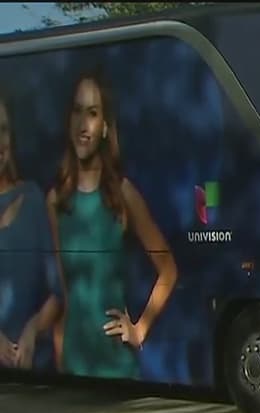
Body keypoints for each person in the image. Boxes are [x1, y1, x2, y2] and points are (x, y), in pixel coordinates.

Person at [47, 68, 177, 378]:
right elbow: (65, 292)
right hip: (73, 366)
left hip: (117, 369)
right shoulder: (55, 201)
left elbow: (168, 270)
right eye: (77, 111)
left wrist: (140, 329)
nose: (83, 124)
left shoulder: (122, 194)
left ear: (105, 126)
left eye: (92, 113)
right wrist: (60, 354)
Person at [0, 90, 61, 370]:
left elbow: (56, 294)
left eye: (3, 130)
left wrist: (32, 330)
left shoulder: (33, 199)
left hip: (31, 376)